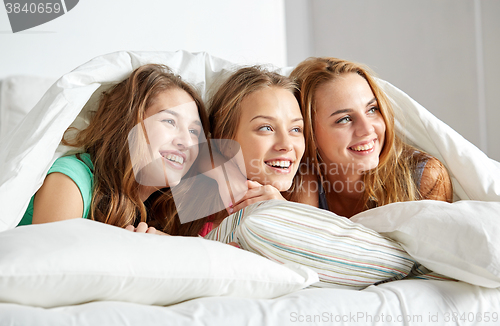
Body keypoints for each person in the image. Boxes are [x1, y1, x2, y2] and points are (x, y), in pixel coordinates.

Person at [18, 64, 211, 236]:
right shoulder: (71, 179)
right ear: (127, 126)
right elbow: (56, 270)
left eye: (194, 131)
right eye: (170, 121)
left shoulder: (156, 212)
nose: (187, 141)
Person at [289, 57, 453, 218]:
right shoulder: (297, 181)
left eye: (372, 109)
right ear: (308, 133)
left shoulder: (424, 177)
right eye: (344, 119)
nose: (367, 129)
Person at [201, 65, 306, 233]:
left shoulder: (306, 209)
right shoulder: (189, 213)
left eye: (295, 129)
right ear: (225, 142)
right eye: (266, 128)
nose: (286, 145)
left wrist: (286, 213)